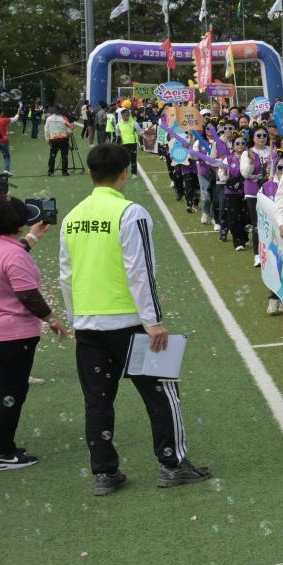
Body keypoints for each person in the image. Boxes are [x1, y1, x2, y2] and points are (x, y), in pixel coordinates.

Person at [59, 143, 211, 495]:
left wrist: (75, 318)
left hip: (88, 326)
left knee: (97, 402)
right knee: (162, 394)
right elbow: (140, 270)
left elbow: (65, 275)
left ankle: (105, 473)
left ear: (89, 174)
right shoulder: (131, 213)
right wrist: (153, 319)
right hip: (130, 324)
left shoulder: (72, 217)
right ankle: (172, 465)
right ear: (125, 172)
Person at [0, 196, 67, 470]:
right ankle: (3, 453)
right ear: (16, 224)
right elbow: (27, 294)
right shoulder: (13, 255)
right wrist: (52, 319)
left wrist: (32, 238)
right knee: (13, 392)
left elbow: (5, 260)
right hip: (12, 335)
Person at [44, 106, 73, 177]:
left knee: (52, 156)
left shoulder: (49, 118)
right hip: (63, 140)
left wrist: (47, 139)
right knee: (64, 156)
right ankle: (64, 172)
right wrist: (69, 134)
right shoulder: (64, 118)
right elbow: (69, 130)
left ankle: (50, 171)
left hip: (53, 140)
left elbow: (46, 130)